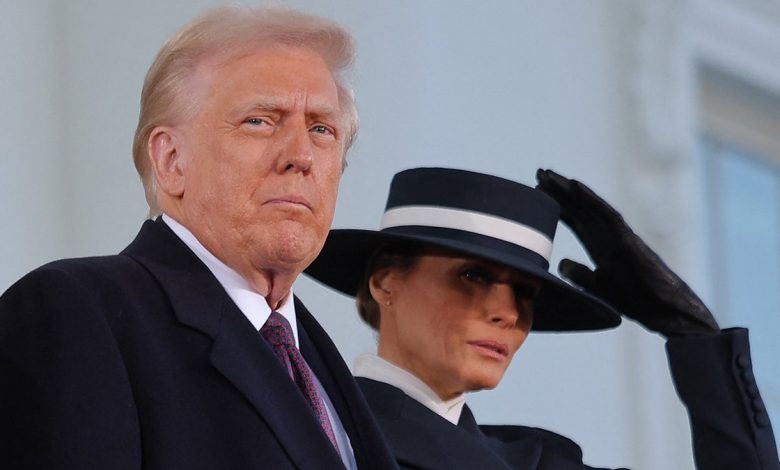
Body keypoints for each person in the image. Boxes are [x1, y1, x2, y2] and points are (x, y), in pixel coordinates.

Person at [0, 6, 398, 470]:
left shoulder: (313, 358)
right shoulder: (78, 314)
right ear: (171, 160)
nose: (301, 156)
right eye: (260, 120)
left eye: (321, 129)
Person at [305, 166, 780, 469]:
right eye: (473, 275)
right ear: (386, 282)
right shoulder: (311, 421)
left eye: (526, 293)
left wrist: (696, 341)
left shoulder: (540, 461)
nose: (508, 313)